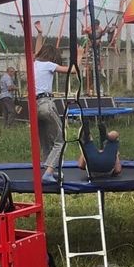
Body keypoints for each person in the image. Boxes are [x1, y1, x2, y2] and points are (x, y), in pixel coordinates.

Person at [34, 44, 73, 177]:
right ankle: (49, 173)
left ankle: (47, 170)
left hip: (34, 106)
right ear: (52, 57)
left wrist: (39, 34)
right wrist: (79, 56)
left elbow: (36, 51)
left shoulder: (34, 64)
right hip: (46, 103)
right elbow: (73, 70)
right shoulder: (49, 64)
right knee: (60, 140)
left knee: (45, 142)